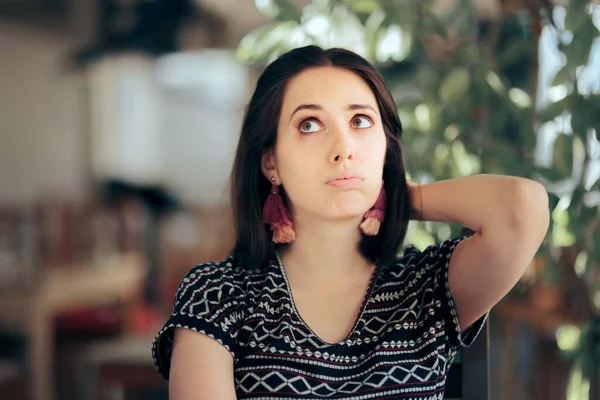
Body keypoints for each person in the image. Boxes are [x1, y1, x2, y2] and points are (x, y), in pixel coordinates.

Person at [151, 45, 549, 399]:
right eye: (310, 125)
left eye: (360, 122)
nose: (344, 148)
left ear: (385, 148)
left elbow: (522, 206)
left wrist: (399, 193)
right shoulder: (218, 296)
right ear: (271, 162)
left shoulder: (423, 288)